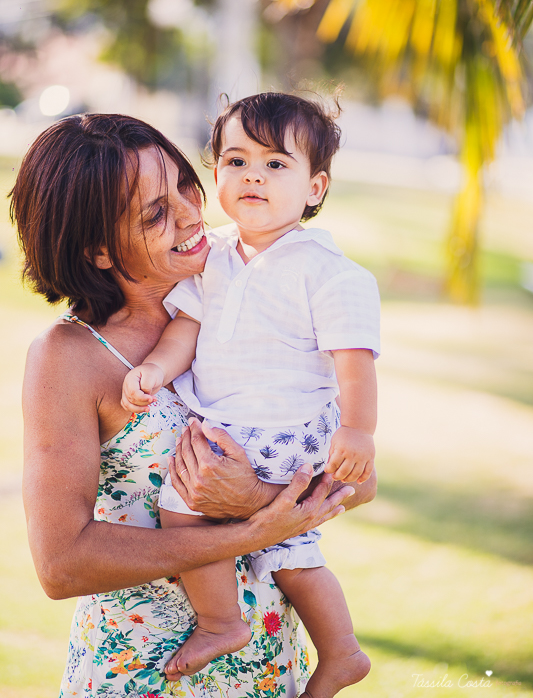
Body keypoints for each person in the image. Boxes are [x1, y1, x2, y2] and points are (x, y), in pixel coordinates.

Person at [10, 112, 376, 698]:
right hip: (148, 669)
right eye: (155, 212)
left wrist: (257, 502)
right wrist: (253, 529)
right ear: (99, 249)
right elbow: (62, 564)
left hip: (270, 662)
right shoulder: (69, 356)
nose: (189, 213)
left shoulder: (254, 289)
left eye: (184, 183)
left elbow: (361, 481)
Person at [121, 93, 380, 698]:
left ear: (315, 188)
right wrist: (157, 369)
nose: (253, 176)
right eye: (236, 161)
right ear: (215, 175)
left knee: (182, 509)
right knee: (291, 548)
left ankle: (220, 623)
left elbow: (355, 361)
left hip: (285, 425)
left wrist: (359, 431)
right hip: (243, 426)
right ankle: (341, 651)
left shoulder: (326, 270)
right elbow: (186, 326)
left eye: (275, 164)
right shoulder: (212, 256)